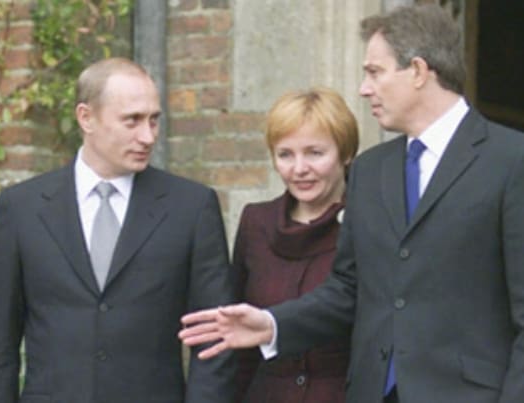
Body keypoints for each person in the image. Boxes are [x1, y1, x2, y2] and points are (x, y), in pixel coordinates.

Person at [179, 4, 524, 403]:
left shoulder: (511, 161)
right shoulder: (370, 170)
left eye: (374, 72)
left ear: (417, 71)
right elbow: (348, 290)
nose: (363, 88)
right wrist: (272, 324)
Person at [0, 57, 235, 403]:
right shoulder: (22, 208)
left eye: (154, 120)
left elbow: (213, 340)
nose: (147, 136)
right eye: (132, 121)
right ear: (86, 117)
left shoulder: (192, 206)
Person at [233, 88, 358, 403]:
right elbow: (238, 344)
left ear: (345, 153)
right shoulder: (256, 222)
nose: (299, 168)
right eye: (285, 154)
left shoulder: (370, 220)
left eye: (315, 153)